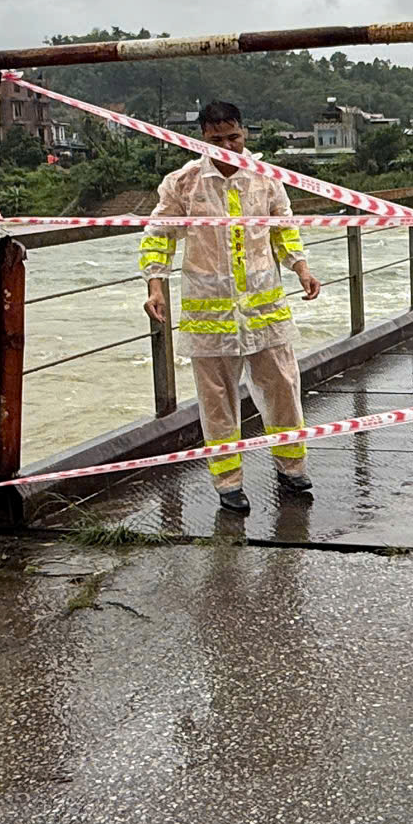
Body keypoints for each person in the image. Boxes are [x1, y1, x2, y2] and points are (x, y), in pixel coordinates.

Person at [140, 101, 323, 516]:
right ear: (202, 139)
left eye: (234, 137)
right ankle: (228, 484)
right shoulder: (183, 183)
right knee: (217, 399)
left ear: (245, 134)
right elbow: (158, 235)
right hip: (210, 314)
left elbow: (284, 228)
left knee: (283, 388)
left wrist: (302, 269)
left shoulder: (266, 179)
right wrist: (155, 285)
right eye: (217, 139)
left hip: (264, 309)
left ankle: (291, 468)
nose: (228, 146)